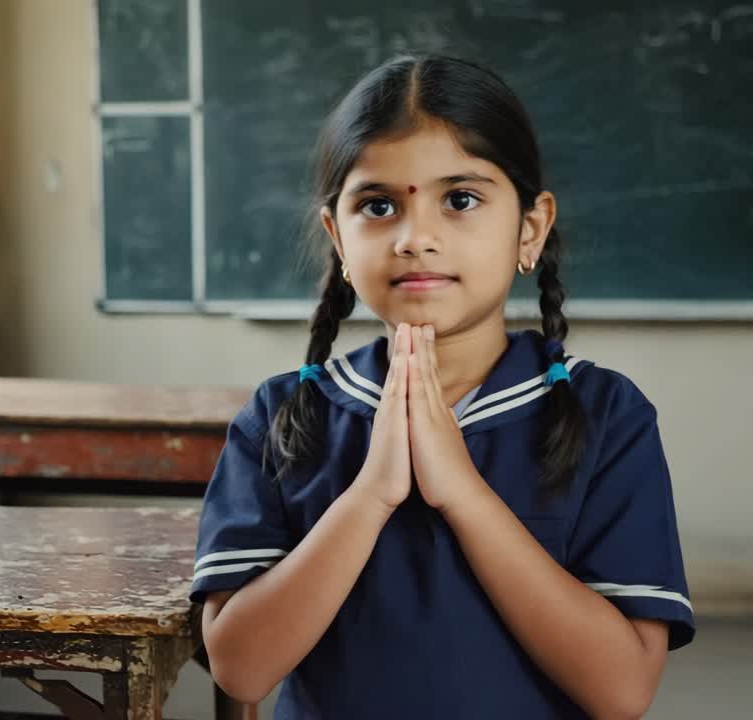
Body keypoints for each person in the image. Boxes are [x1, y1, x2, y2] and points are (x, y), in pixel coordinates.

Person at [191, 54, 694, 719]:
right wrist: (371, 496)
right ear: (337, 237)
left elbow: (622, 690)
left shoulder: (605, 414)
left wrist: (462, 492)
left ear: (531, 229)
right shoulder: (285, 415)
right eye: (377, 205)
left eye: (460, 199)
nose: (416, 237)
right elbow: (241, 669)